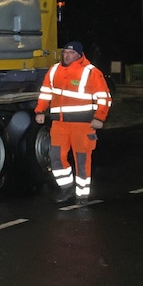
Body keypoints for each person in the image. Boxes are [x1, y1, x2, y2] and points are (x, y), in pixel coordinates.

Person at [34, 41, 112, 205]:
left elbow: (104, 98)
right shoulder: (54, 70)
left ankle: (82, 195)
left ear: (79, 54)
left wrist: (99, 118)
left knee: (82, 160)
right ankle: (66, 187)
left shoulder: (91, 72)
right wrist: (40, 110)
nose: (67, 56)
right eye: (65, 52)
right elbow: (46, 93)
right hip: (59, 124)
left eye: (71, 53)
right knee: (55, 156)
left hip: (83, 125)